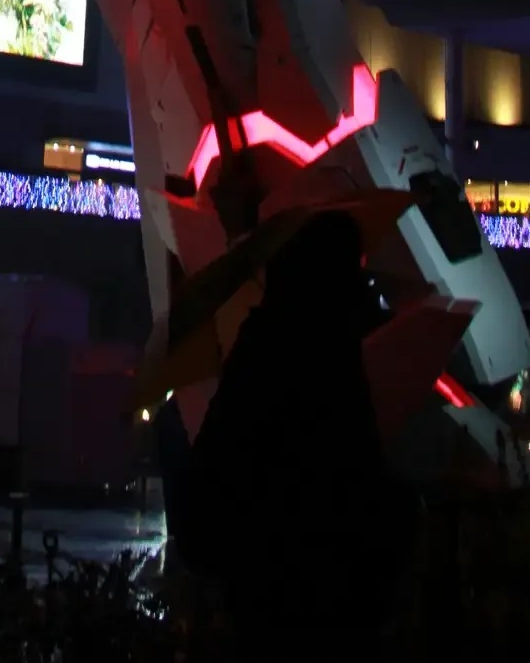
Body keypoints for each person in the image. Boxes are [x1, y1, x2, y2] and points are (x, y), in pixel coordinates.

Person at [172, 208, 417, 662]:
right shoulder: (338, 362)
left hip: (265, 610)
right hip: (327, 615)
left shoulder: (266, 351)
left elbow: (207, 492)